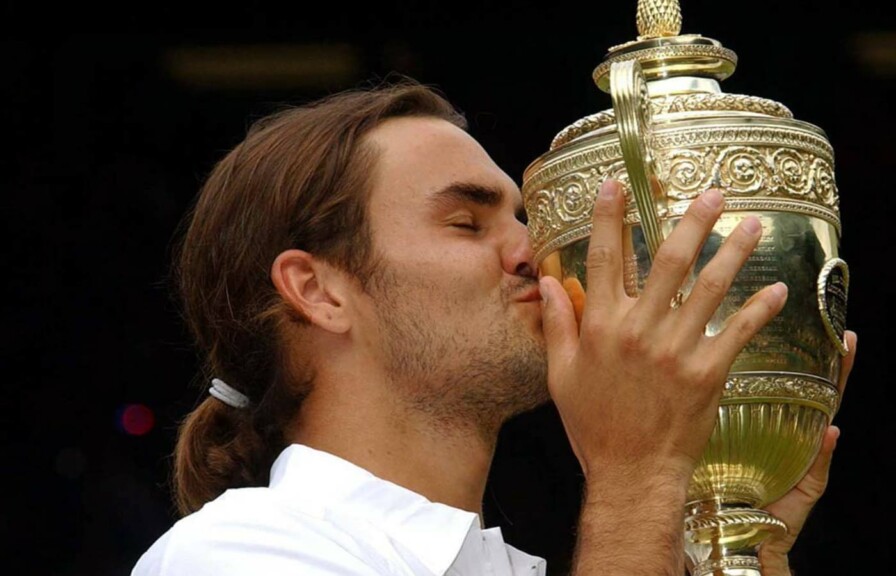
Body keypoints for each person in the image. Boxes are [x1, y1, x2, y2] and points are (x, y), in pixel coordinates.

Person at [132, 78, 856, 576]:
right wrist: (638, 473)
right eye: (465, 222)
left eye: (522, 220)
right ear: (318, 291)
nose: (530, 254)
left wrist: (728, 536)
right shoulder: (238, 554)